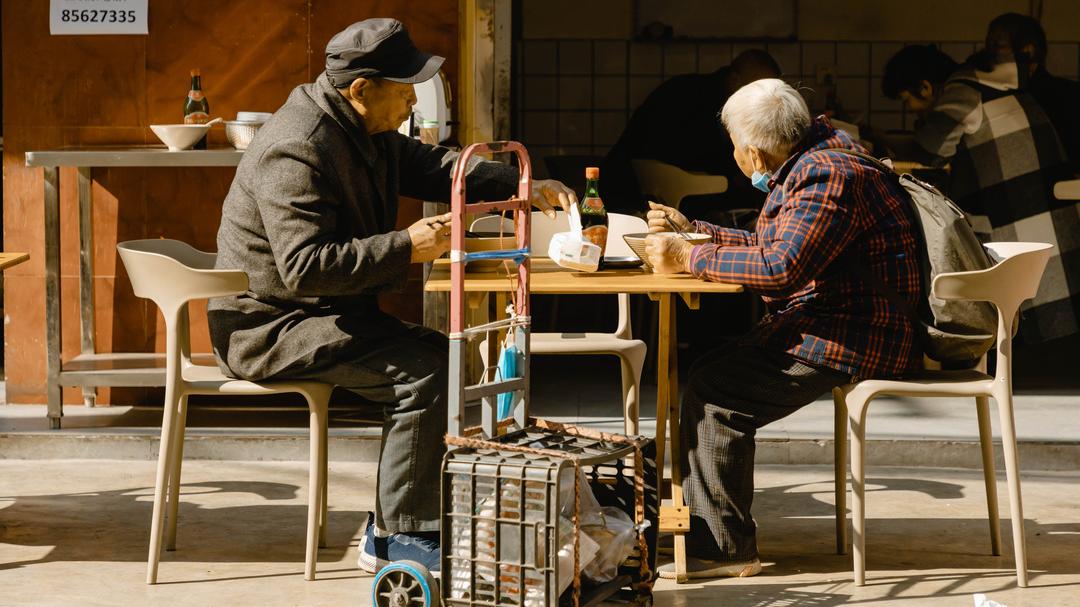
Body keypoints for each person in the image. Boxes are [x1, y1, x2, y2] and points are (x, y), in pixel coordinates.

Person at [207, 18, 577, 575]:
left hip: (323, 316)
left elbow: (435, 167)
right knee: (422, 373)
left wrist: (520, 185)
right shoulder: (298, 148)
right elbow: (305, 270)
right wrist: (408, 245)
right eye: (404, 91)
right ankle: (397, 538)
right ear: (361, 90)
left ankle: (404, 514)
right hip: (269, 326)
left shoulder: (364, 130)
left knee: (438, 356)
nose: (411, 104)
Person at [642, 79, 922, 580]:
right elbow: (774, 241)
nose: (734, 155)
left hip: (858, 331)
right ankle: (709, 529)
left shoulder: (826, 176)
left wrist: (689, 255)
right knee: (711, 372)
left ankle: (724, 549)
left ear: (751, 151)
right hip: (840, 317)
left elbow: (779, 267)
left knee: (715, 392)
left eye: (733, 147)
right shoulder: (820, 156)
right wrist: (696, 231)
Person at [882, 44, 1076, 342]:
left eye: (908, 100)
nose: (912, 110)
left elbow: (928, 150)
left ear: (925, 86)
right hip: (1037, 202)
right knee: (1044, 302)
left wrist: (874, 139)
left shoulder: (962, 93)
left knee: (1032, 312)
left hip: (1024, 204)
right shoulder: (985, 84)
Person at [600, 49, 782, 220]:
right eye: (758, 90)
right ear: (734, 80)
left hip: (641, 188)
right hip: (634, 190)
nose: (764, 99)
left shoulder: (695, 89)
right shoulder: (692, 101)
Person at [979, 12, 1080, 171]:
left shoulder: (1065, 98)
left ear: (1028, 51)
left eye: (998, 46)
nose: (988, 55)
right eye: (988, 46)